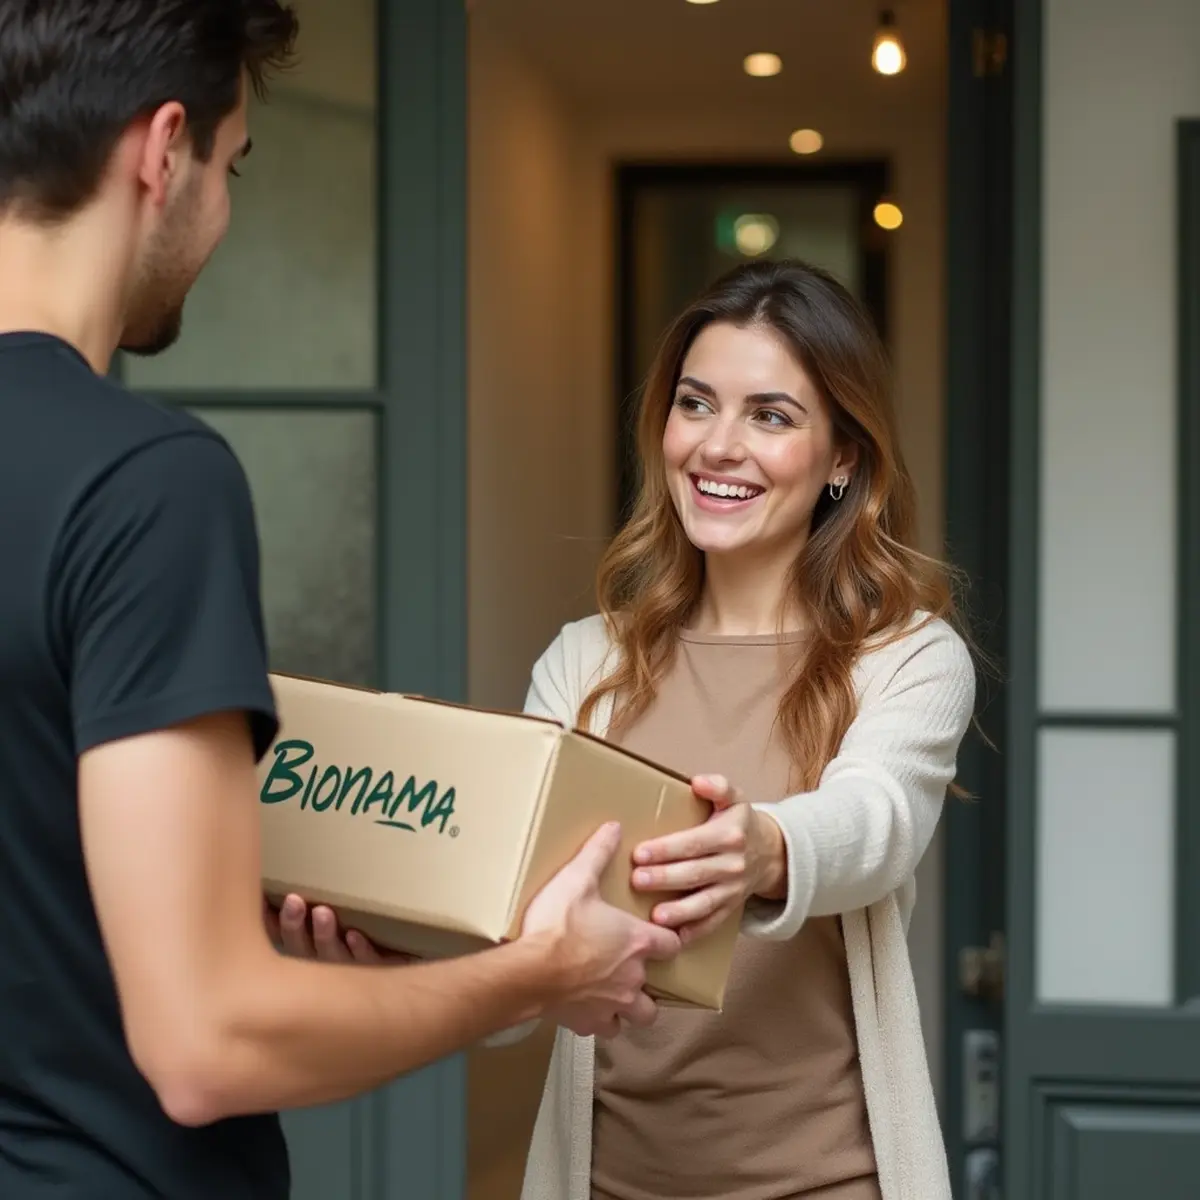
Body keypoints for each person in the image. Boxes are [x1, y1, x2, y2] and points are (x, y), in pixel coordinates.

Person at [0, 4, 680, 1198]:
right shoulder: (146, 484)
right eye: (233, 165)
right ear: (165, 151)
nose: (221, 211)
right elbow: (205, 1044)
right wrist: (538, 971)